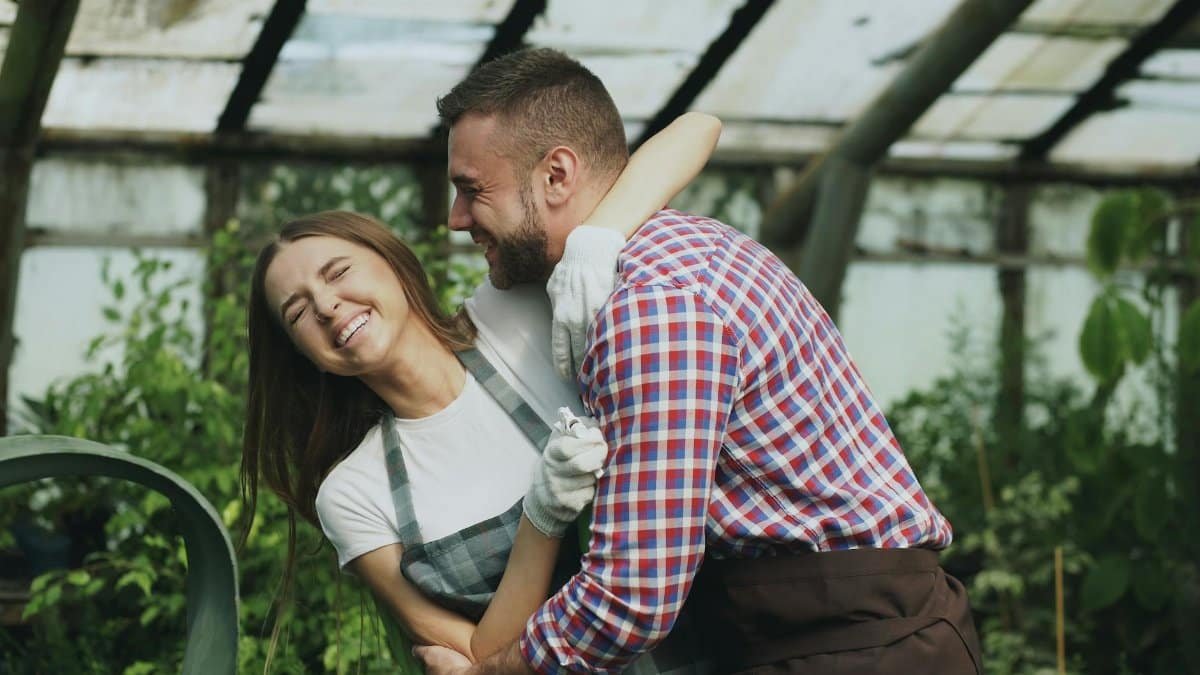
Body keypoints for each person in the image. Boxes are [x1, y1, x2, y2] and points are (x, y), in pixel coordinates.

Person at [422, 47, 982, 674]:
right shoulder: (671, 250)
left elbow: (631, 595)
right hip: (843, 629)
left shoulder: (652, 307)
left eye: (472, 190)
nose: (455, 219)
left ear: (557, 175)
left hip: (850, 646)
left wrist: (500, 670)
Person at [239, 113, 722, 670]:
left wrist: (595, 241)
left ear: (393, 262)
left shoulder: (513, 313)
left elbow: (698, 128)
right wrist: (541, 517)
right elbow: (481, 657)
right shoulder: (353, 494)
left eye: (338, 271)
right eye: (297, 311)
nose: (325, 306)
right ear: (302, 354)